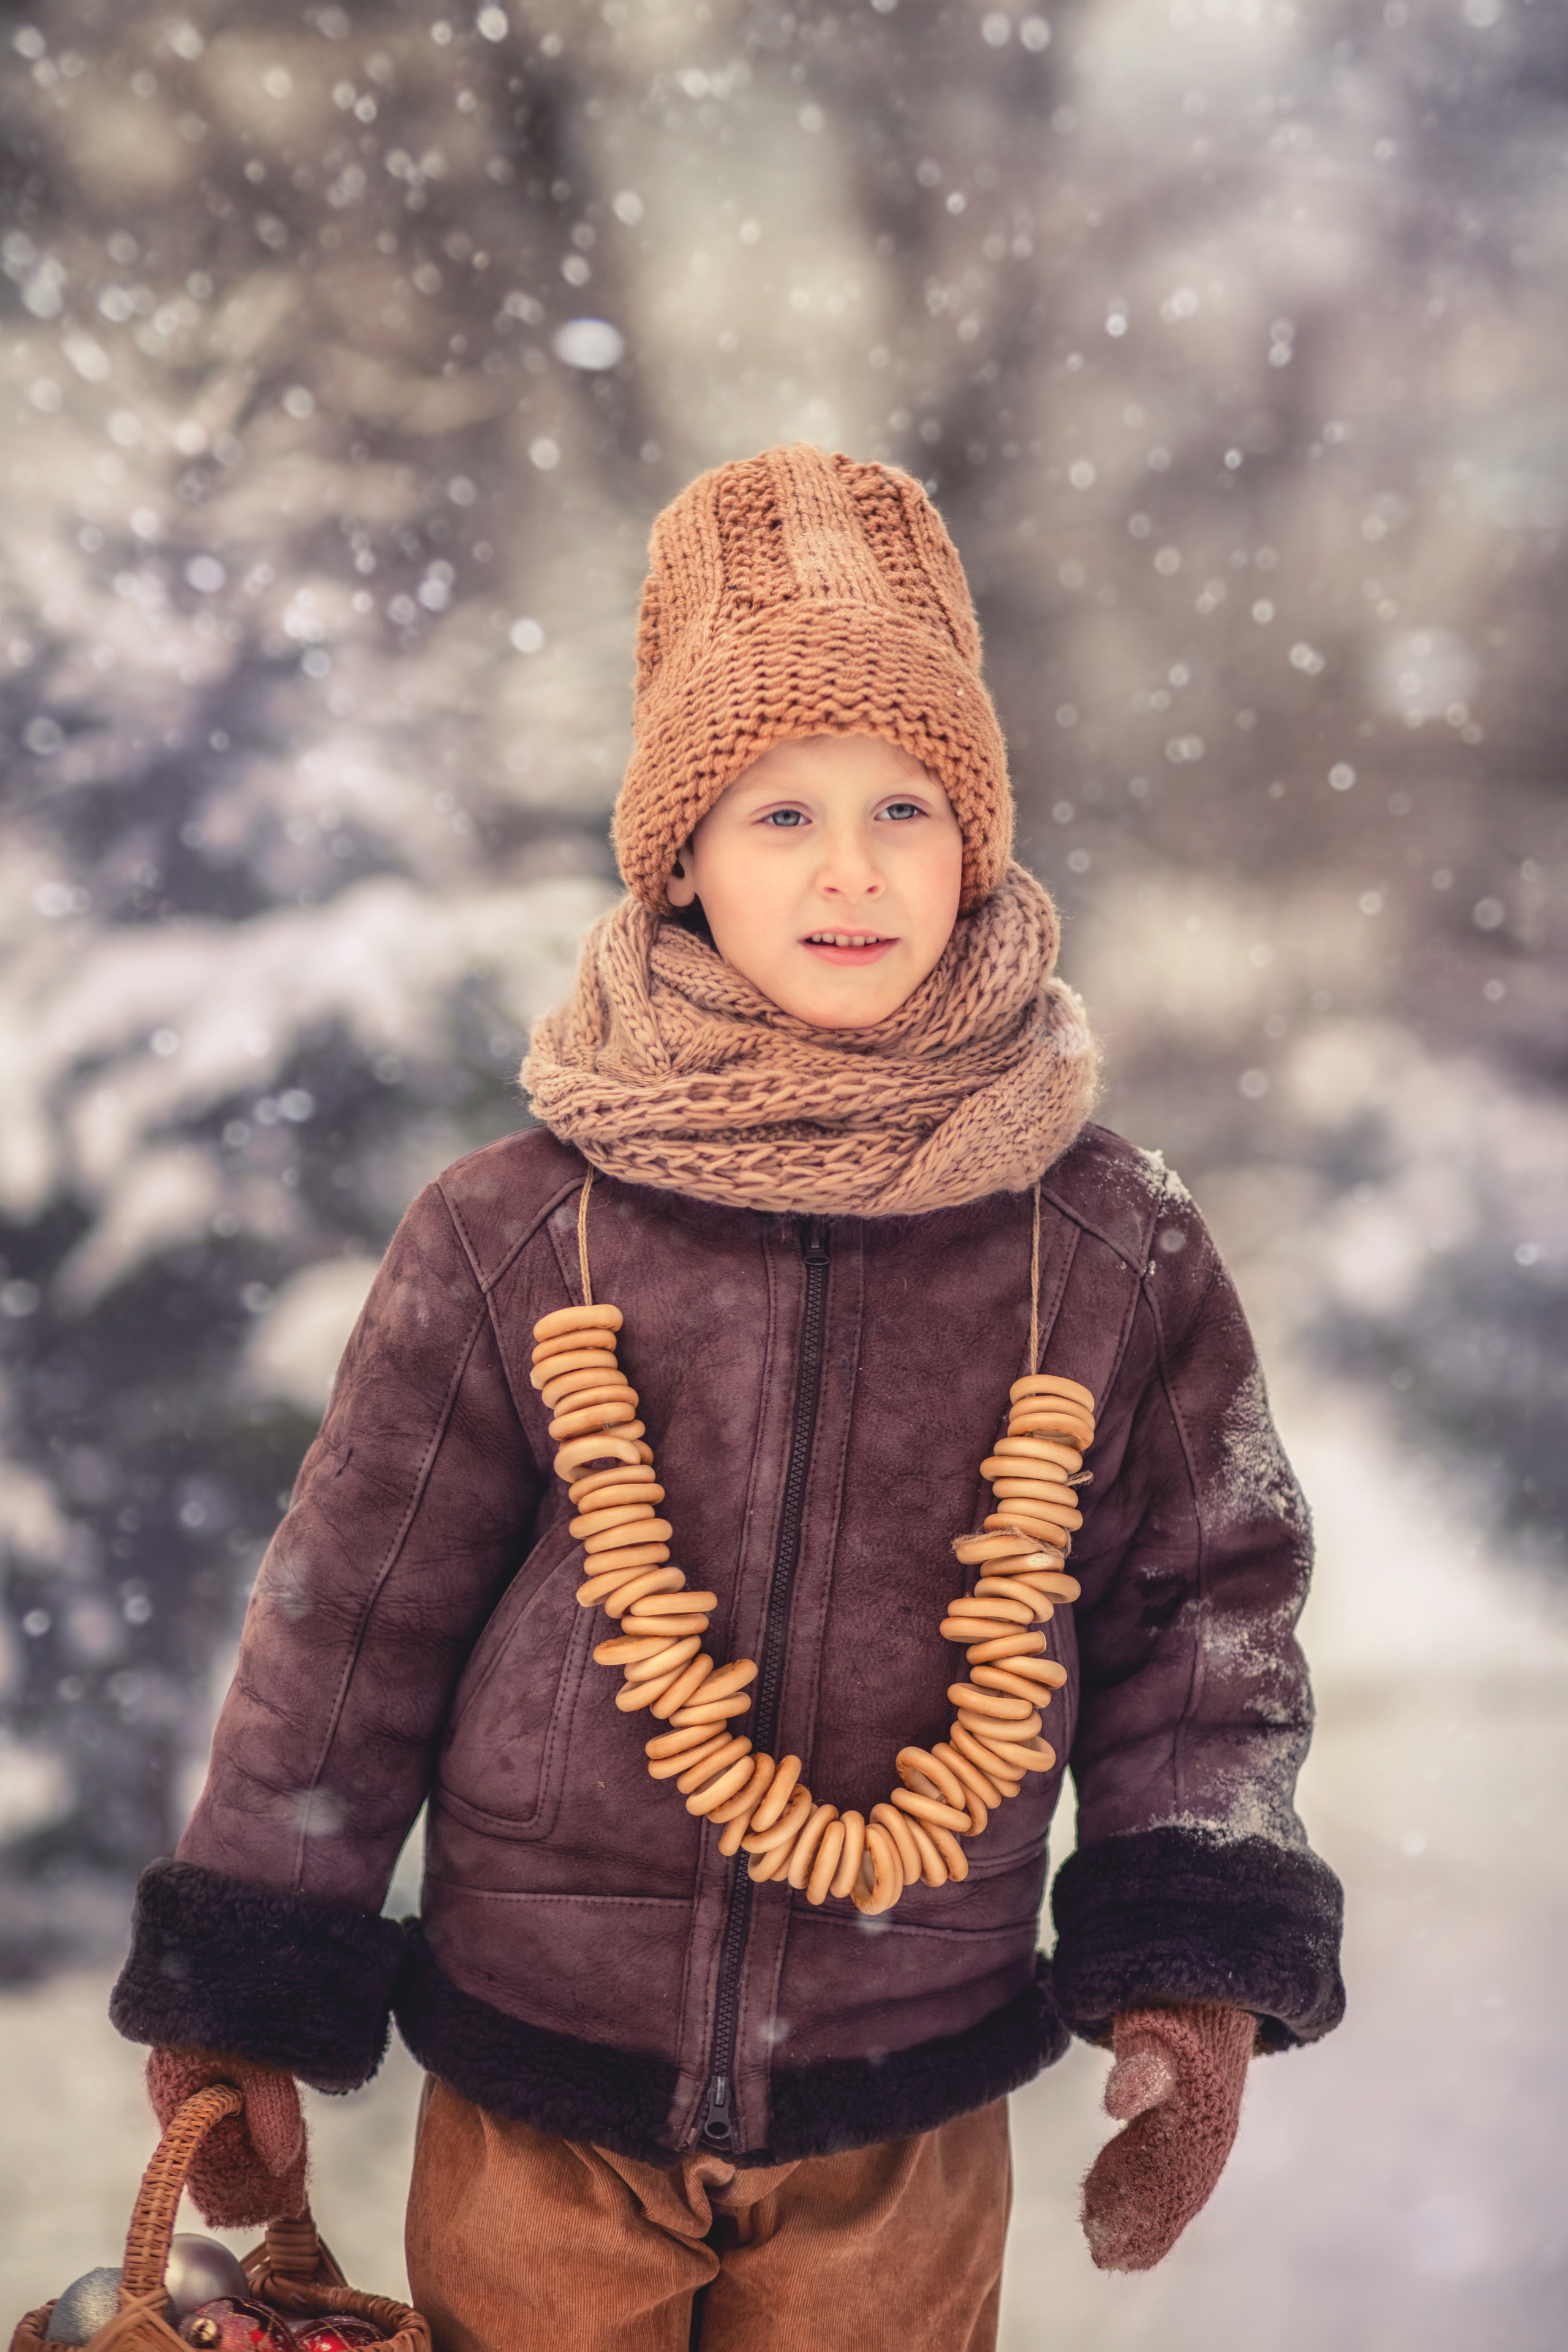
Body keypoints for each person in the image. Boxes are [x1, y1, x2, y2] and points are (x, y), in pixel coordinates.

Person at [111, 444, 1344, 2351]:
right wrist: (244, 1992)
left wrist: (1194, 1976)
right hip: (543, 2076)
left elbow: (1206, 1624)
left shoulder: (1109, 1246)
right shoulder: (518, 1226)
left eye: (905, 806)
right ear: (679, 853)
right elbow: (351, 1615)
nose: (849, 867)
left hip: (907, 2093)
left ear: (978, 843)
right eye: (778, 814)